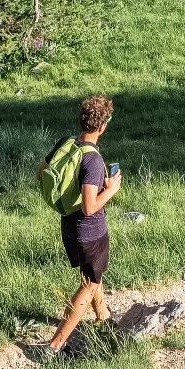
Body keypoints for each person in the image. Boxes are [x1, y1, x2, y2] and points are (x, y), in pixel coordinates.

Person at [42, 94, 122, 354]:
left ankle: (103, 316)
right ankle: (55, 345)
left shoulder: (66, 144)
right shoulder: (93, 159)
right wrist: (111, 190)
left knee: (93, 275)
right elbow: (90, 207)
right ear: (103, 126)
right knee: (89, 283)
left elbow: (40, 172)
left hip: (68, 224)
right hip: (91, 231)